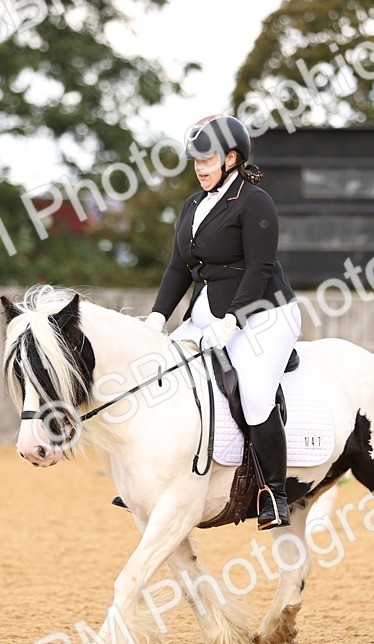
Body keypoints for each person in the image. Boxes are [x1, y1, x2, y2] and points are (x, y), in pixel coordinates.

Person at [129, 115, 302, 530]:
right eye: (195, 162)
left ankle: (274, 493)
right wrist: (156, 319)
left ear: (231, 157)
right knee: (157, 374)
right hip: (205, 312)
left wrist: (231, 321)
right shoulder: (193, 205)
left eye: (206, 160)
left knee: (256, 393)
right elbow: (178, 270)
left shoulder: (254, 201)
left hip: (264, 312)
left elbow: (259, 268)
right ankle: (153, 479)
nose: (200, 168)